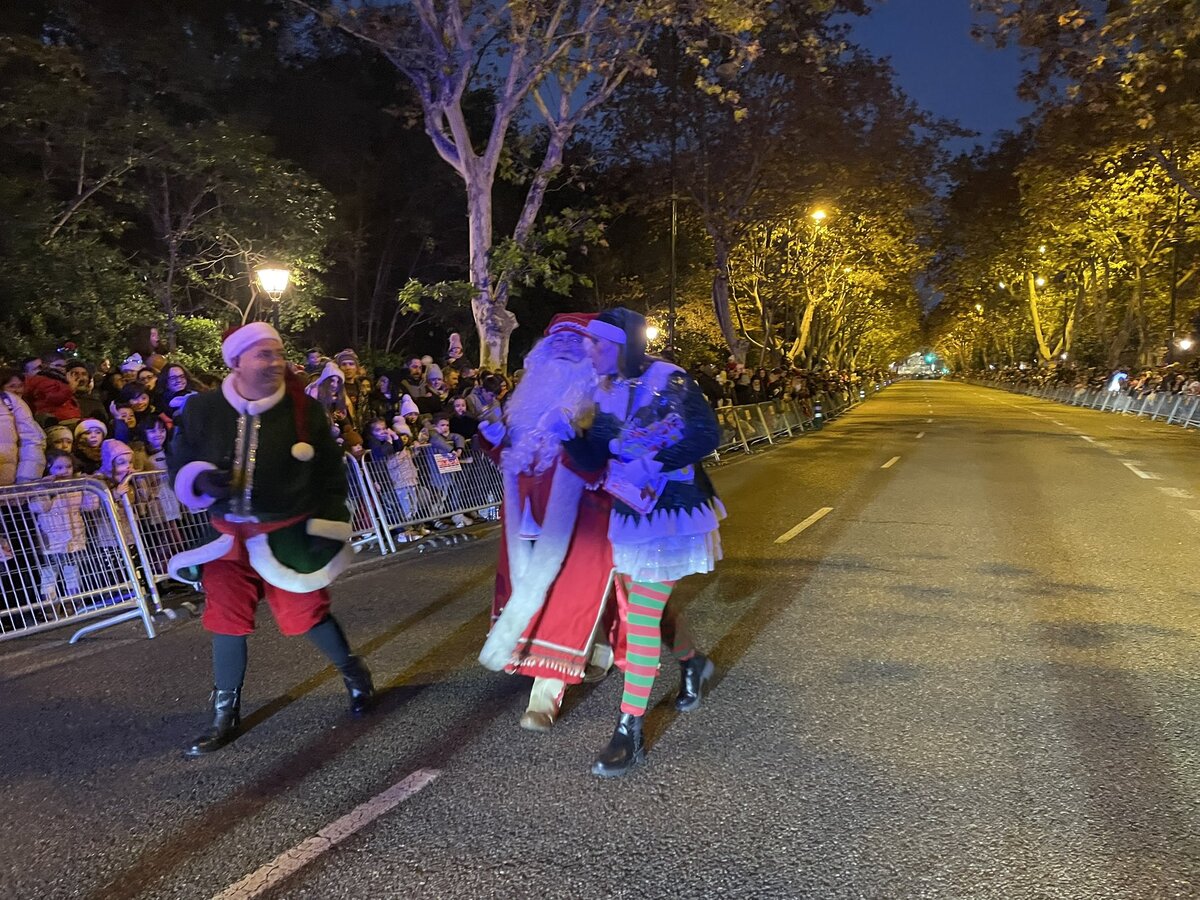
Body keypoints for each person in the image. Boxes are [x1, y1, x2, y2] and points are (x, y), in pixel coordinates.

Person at [166, 322, 373, 757]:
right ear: (236, 361)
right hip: (224, 537)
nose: (275, 363)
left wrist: (329, 527)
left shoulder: (305, 411)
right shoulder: (203, 408)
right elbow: (180, 458)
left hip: (288, 533)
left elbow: (331, 477)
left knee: (307, 614)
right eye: (263, 354)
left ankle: (354, 674)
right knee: (225, 620)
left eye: (278, 354)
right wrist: (200, 478)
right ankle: (225, 713)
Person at [565, 307, 723, 777]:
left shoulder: (670, 378)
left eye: (596, 344)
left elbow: (706, 433)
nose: (589, 352)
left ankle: (628, 731)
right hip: (632, 513)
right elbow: (595, 458)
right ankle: (693, 664)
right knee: (646, 608)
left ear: (620, 345)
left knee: (640, 618)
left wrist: (655, 461)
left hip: (673, 513)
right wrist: (568, 435)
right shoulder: (602, 391)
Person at [477, 313, 616, 732]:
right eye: (555, 341)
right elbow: (511, 458)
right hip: (524, 520)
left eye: (573, 343)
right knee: (530, 590)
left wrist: (575, 439)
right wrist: (490, 438)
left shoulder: (602, 398)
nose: (561, 348)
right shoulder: (525, 400)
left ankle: (546, 694)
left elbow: (604, 466)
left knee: (566, 598)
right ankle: (599, 647)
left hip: (582, 521)